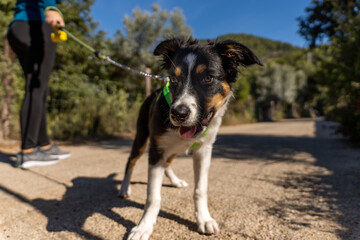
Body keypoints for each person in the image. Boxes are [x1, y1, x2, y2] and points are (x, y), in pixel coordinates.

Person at [7, 0, 70, 168]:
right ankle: (28, 151)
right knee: (36, 88)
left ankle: (44, 145)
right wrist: (51, 8)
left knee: (38, 87)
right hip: (35, 26)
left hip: (19, 27)